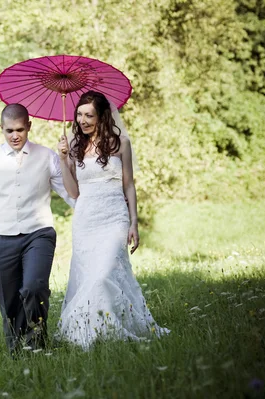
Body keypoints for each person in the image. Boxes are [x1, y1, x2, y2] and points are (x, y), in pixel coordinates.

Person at [56, 90, 169, 350]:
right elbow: (74, 192)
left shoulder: (121, 144)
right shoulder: (75, 146)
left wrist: (133, 223)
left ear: (102, 116)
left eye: (89, 115)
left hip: (114, 217)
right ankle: (93, 331)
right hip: (86, 219)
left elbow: (128, 185)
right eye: (79, 114)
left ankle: (113, 328)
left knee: (104, 273)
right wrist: (63, 159)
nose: (82, 120)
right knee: (89, 276)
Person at [0, 103, 75, 354]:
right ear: (1, 128)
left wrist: (95, 213)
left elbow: (71, 195)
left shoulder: (47, 156)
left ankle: (38, 344)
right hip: (0, 238)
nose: (15, 135)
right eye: (9, 130)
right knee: (9, 301)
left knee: (34, 287)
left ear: (29, 127)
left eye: (20, 129)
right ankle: (17, 350)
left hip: (39, 233)